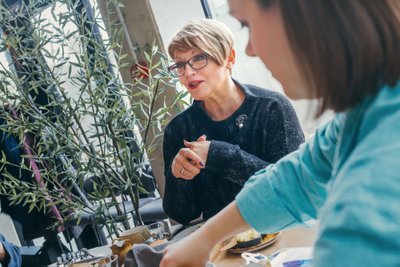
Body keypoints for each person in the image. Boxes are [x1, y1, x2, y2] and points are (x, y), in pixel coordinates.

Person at [161, 1, 400, 266]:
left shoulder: (384, 147)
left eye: (246, 24)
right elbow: (293, 178)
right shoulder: (359, 119)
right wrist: (206, 237)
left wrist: (221, 156)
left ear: (303, 14)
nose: (250, 50)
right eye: (180, 65)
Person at [162, 19, 304, 225]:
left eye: (199, 58)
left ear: (229, 58)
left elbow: (292, 188)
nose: (188, 72)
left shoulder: (271, 107)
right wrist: (178, 175)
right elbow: (183, 214)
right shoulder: (178, 129)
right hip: (221, 244)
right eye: (180, 65)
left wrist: (220, 155)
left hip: (284, 229)